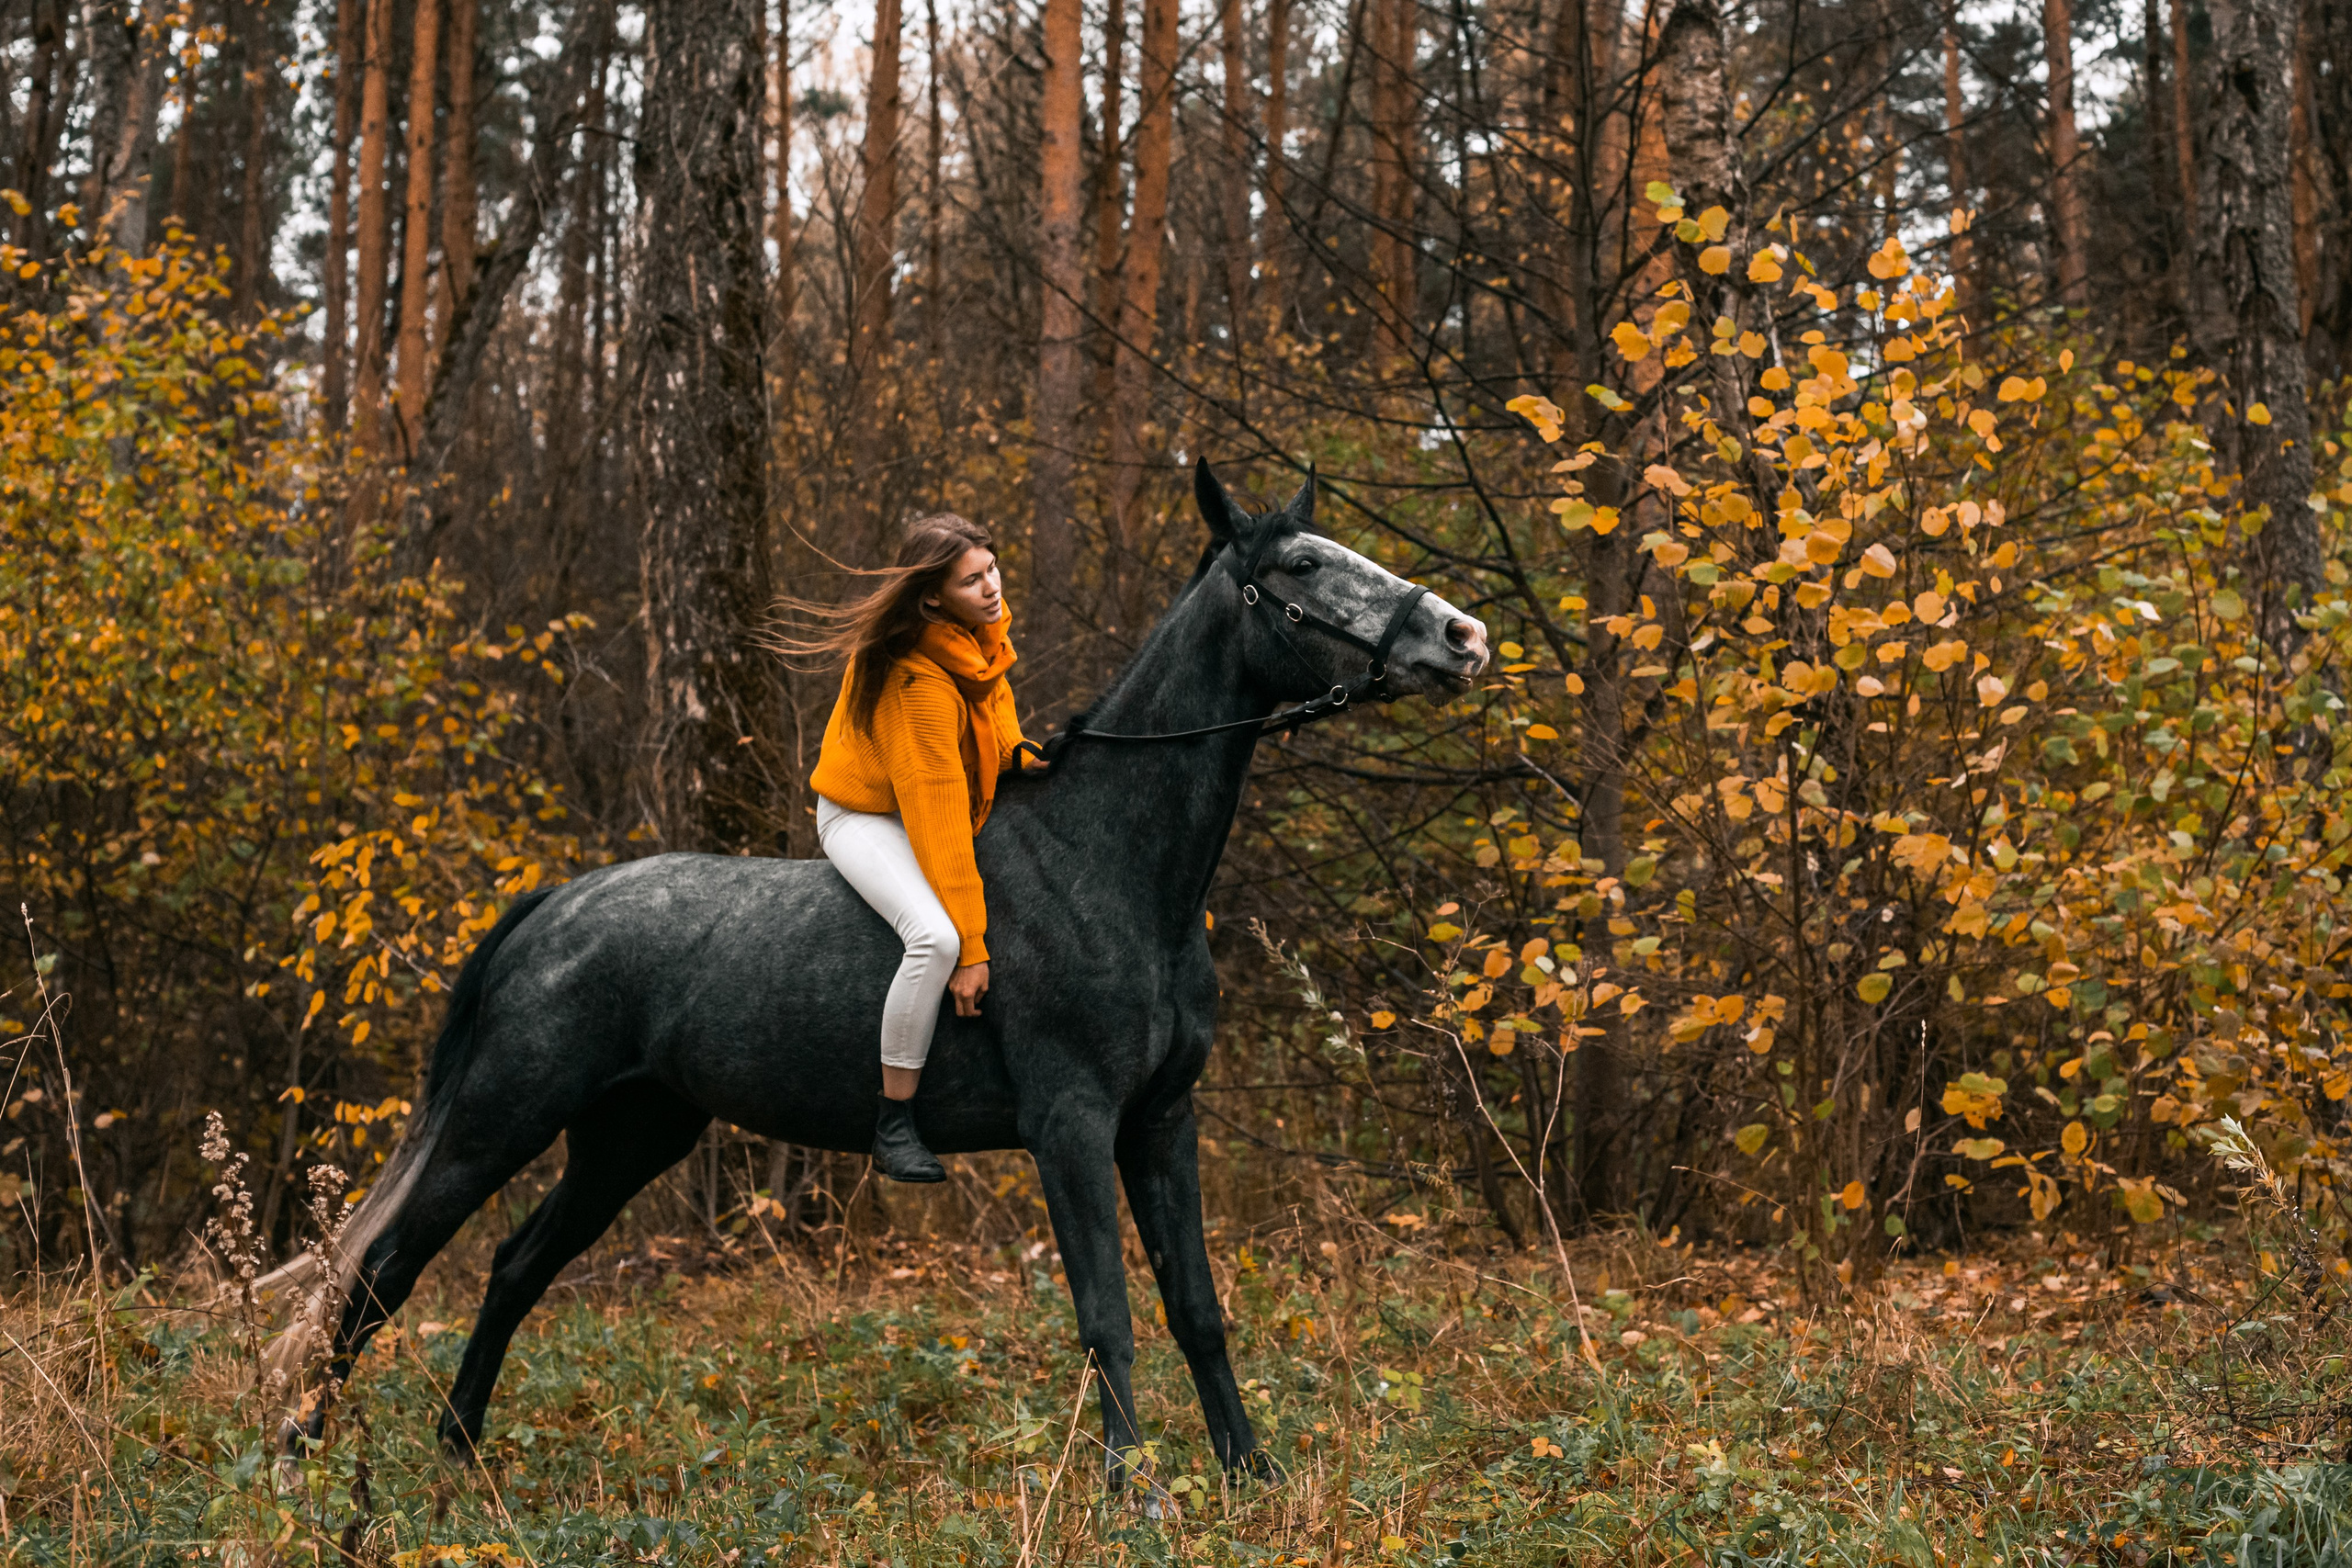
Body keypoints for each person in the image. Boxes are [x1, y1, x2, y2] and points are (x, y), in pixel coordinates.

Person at [796, 514, 1031, 1183]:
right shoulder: (915, 684)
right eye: (972, 579)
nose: (991, 588)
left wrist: (1015, 753)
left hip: (927, 798)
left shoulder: (975, 629)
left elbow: (994, 700)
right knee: (933, 937)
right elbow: (938, 823)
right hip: (866, 815)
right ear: (932, 600)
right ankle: (894, 1121)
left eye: (992, 568)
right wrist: (973, 948)